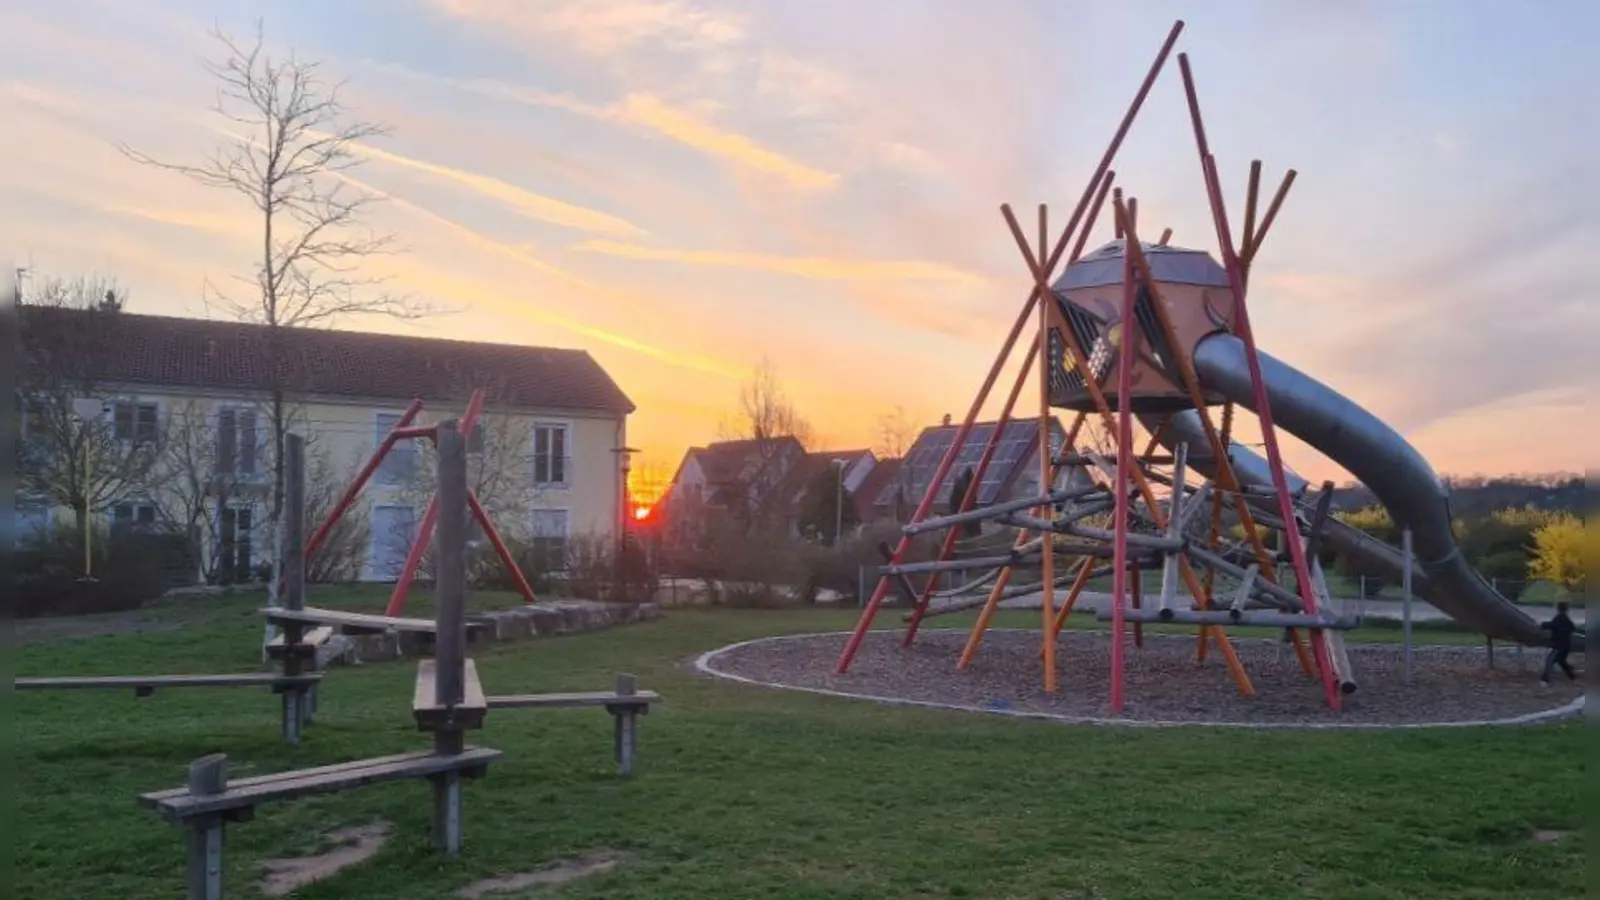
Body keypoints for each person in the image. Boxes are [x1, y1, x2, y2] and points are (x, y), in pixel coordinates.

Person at [1538, 601, 1579, 686]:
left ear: (1558, 608)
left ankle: (1545, 679)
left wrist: (1542, 624)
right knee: (1561, 661)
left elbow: (1552, 625)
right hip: (1565, 645)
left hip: (1559, 646)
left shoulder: (1559, 618)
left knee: (1550, 661)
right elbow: (1573, 628)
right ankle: (1572, 676)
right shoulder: (1566, 619)